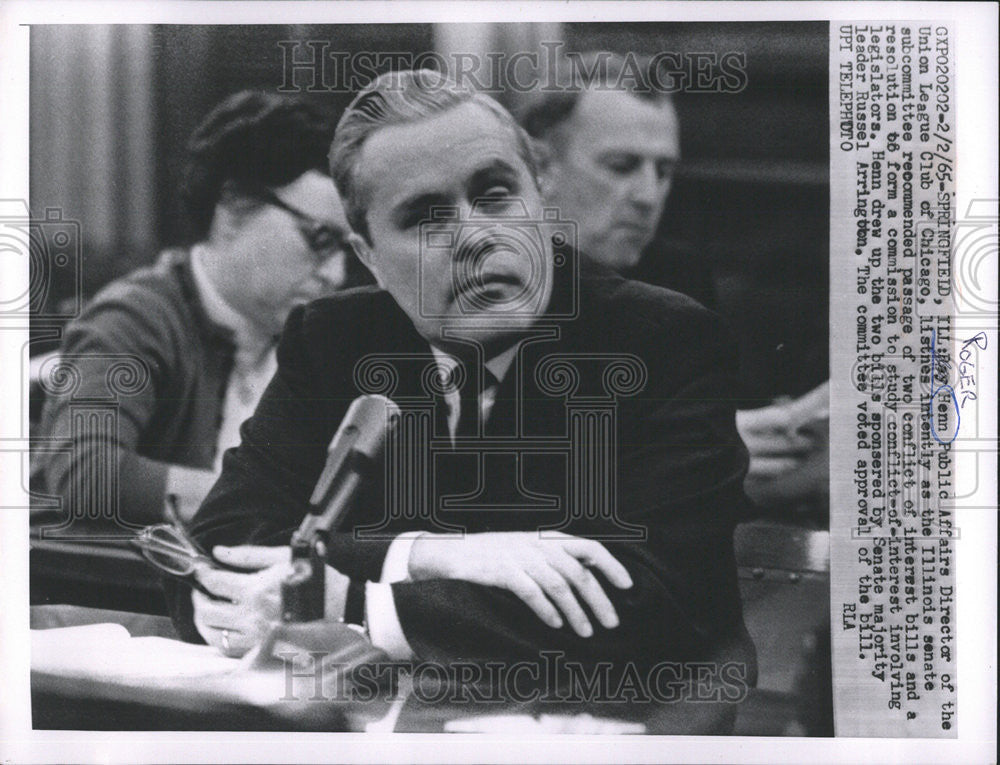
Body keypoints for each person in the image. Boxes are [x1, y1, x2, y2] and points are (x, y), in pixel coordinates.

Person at [169, 71, 754, 697]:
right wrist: (430, 556)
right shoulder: (335, 338)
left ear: (539, 198)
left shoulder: (662, 339)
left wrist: (354, 600)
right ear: (368, 257)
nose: (478, 237)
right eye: (426, 216)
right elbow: (218, 553)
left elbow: (656, 602)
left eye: (497, 195)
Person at [518, 52, 829, 512]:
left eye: (663, 172)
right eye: (622, 166)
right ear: (541, 169)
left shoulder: (676, 276)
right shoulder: (487, 290)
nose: (648, 196)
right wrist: (690, 452)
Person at [33, 91, 352, 526]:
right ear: (232, 207)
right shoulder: (136, 318)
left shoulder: (308, 336)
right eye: (320, 240)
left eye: (348, 250)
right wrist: (265, 503)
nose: (335, 274)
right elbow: (85, 473)